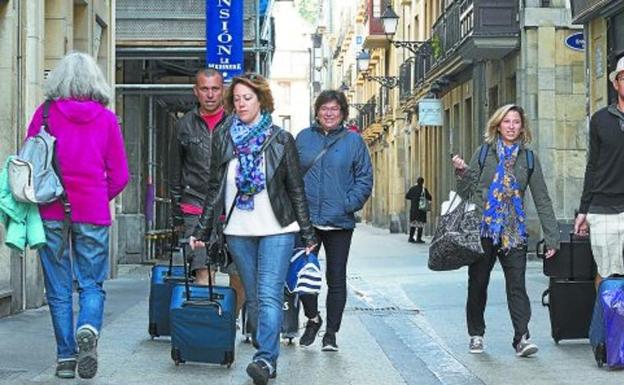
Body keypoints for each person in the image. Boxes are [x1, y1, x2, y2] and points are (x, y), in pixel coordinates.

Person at [189, 73, 316, 385]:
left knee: (270, 295)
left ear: (261, 101)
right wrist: (202, 231)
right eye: (237, 99)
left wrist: (309, 233)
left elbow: (296, 189)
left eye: (247, 98)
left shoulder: (281, 139)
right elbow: (214, 188)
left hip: (277, 228)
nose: (241, 103)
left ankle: (265, 360)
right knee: (255, 298)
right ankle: (266, 345)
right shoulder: (224, 137)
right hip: (238, 230)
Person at [28, 52, 130, 379]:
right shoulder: (106, 119)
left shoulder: (44, 114)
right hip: (93, 212)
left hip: (51, 211)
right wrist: (99, 197)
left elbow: (30, 165)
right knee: (91, 284)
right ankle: (88, 327)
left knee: (58, 288)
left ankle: (65, 359)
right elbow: (121, 176)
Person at [451, 104, 558, 357]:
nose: (511, 126)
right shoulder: (484, 153)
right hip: (483, 229)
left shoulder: (529, 158)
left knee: (517, 286)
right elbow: (467, 192)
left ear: (522, 127)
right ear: (498, 125)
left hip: (514, 231)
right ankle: (476, 334)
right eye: (506, 121)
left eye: (516, 122)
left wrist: (552, 237)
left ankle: (521, 337)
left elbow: (542, 198)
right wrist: (462, 172)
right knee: (478, 283)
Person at [295, 90, 373, 351]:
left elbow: (364, 178)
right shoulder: (303, 139)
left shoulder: (354, 142)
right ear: (316, 111)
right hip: (307, 221)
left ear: (342, 113)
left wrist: (347, 204)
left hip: (339, 222)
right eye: (324, 108)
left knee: (336, 277)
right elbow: (291, 176)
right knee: (304, 274)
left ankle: (331, 333)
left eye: (335, 109)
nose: (329, 113)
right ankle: (313, 318)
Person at [169, 68, 244, 315]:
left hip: (232, 209)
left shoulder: (237, 124)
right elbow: (173, 171)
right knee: (203, 269)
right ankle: (208, 322)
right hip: (196, 208)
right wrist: (177, 214)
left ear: (223, 90)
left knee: (238, 273)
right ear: (196, 91)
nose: (210, 94)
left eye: (215, 89)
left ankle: (229, 322)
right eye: (204, 89)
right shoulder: (184, 126)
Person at [574, 56, 624, 287]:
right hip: (604, 209)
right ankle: (606, 323)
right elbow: (592, 165)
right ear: (616, 84)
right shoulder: (600, 120)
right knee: (606, 274)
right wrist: (584, 209)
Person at [405, 177, 432, 243]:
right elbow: (430, 197)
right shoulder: (424, 190)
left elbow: (407, 196)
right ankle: (418, 238)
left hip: (414, 209)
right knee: (420, 225)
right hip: (421, 210)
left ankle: (411, 238)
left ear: (417, 182)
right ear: (422, 182)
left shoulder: (412, 189)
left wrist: (413, 198)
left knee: (413, 224)